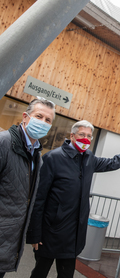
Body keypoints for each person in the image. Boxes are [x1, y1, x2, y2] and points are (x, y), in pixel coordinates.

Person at [26, 120, 120, 278]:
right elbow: (39, 198)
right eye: (82, 135)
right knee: (40, 272)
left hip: (73, 234)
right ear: (72, 135)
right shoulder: (53, 158)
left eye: (89, 136)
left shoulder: (88, 157)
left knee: (66, 274)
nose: (86, 139)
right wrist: (35, 234)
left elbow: (113, 163)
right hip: (50, 232)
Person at [0, 97, 55, 277]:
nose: (43, 122)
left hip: (8, 241)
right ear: (25, 117)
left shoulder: (36, 154)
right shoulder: (4, 142)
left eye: (48, 120)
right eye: (39, 116)